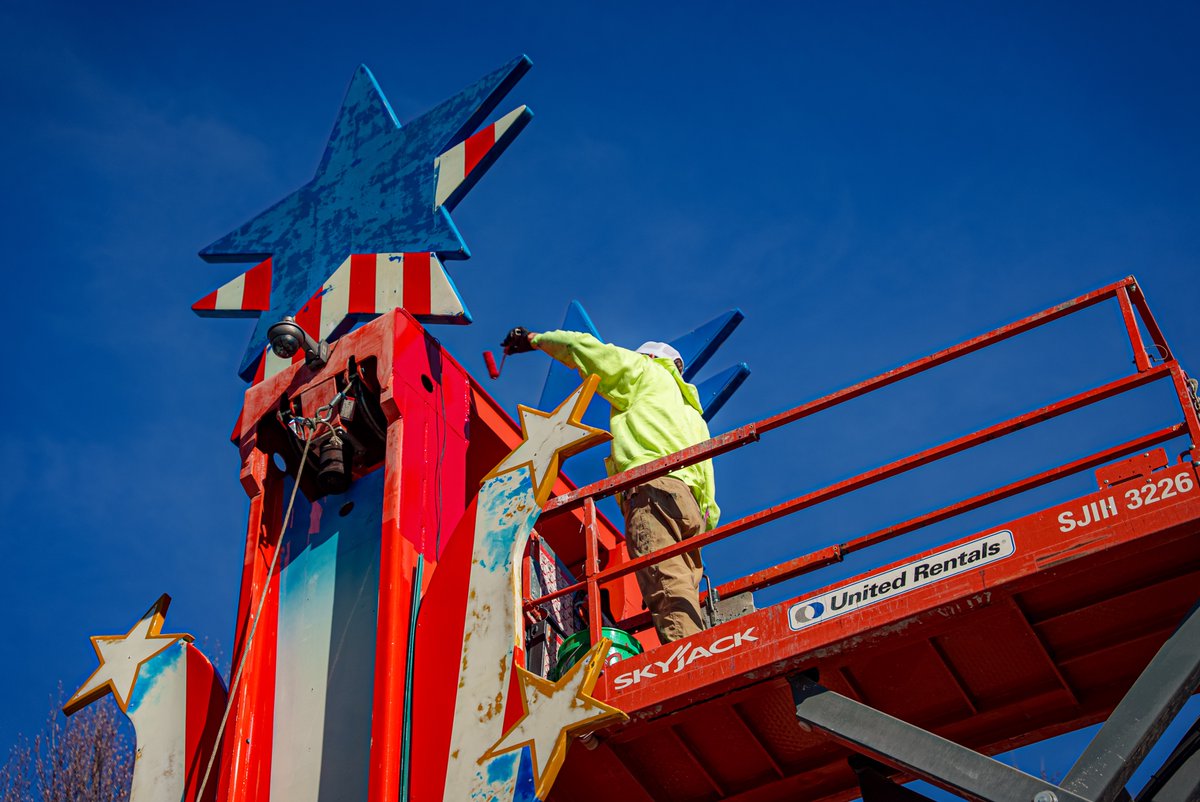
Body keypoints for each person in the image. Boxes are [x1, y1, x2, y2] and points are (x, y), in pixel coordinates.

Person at [502, 327, 720, 644]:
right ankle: (698, 644)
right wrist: (705, 523)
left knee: (663, 579)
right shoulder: (693, 417)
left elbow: (588, 349)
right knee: (684, 586)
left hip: (652, 486)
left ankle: (689, 655)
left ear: (649, 358)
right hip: (692, 509)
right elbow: (708, 481)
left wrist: (535, 339)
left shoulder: (646, 372)